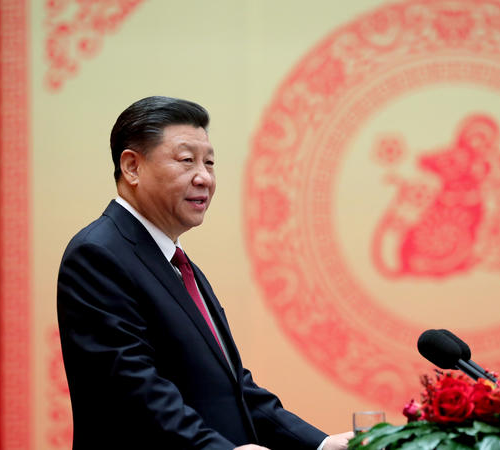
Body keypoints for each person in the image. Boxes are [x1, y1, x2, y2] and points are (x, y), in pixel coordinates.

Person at [57, 96, 353, 449]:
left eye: (209, 163)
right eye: (186, 161)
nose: (204, 178)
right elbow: (135, 392)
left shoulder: (176, 264)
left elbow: (233, 387)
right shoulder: (99, 255)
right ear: (132, 167)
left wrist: (321, 445)